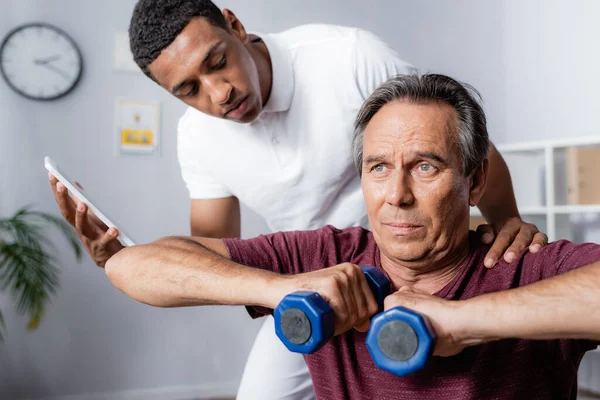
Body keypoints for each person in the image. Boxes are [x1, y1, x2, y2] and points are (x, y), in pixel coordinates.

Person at [48, 1, 548, 399]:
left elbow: (455, 143)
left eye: (217, 62)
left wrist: (509, 228)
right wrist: (125, 260)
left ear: (235, 25)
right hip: (310, 276)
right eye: (189, 90)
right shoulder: (197, 138)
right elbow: (211, 246)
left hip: (416, 258)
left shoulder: (346, 56)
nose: (217, 94)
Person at [103, 74, 600, 399]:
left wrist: (462, 321)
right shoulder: (325, 258)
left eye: (426, 167)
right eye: (379, 168)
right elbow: (132, 265)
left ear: (475, 181)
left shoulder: (523, 265)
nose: (396, 195)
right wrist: (280, 288)